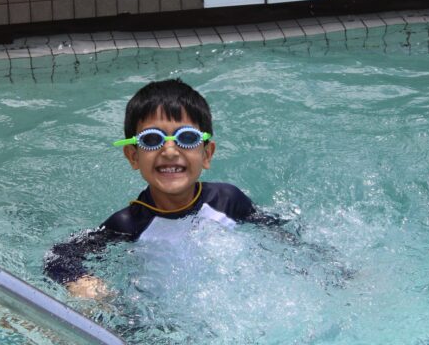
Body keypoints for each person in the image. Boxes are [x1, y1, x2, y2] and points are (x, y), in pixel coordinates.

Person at [44, 78, 264, 298]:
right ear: (133, 156)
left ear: (207, 154)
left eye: (187, 137)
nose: (169, 151)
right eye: (151, 139)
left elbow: (277, 232)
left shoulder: (228, 200)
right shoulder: (128, 225)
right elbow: (58, 256)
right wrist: (83, 283)